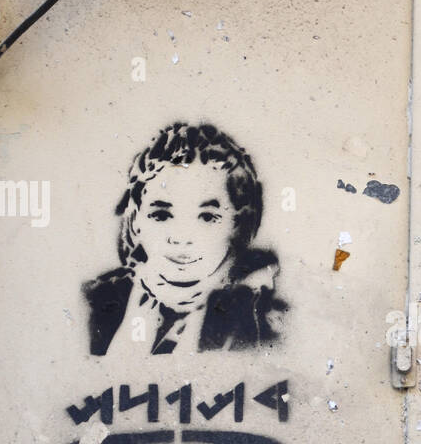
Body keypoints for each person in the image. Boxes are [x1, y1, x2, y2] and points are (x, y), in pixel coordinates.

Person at [83, 122, 286, 355]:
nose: (181, 238)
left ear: (239, 227)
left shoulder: (262, 319)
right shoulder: (95, 304)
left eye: (207, 217)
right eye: (161, 215)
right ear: (135, 222)